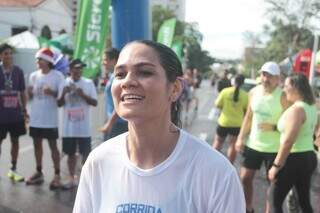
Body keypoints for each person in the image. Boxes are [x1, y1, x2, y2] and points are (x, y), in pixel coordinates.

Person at [73, 40, 245, 213]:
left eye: (145, 72)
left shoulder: (216, 173)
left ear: (175, 88)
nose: (127, 82)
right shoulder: (99, 161)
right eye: (120, 74)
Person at [235, 61, 290, 213]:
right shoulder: (253, 92)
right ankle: (248, 208)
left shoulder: (284, 96)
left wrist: (273, 127)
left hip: (274, 148)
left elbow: (291, 123)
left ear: (278, 78)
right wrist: (240, 137)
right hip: (253, 144)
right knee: (245, 178)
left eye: (270, 76)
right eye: (264, 75)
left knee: (272, 185)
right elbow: (248, 117)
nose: (266, 79)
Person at [267, 74, 318, 213]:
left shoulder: (297, 110)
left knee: (273, 202)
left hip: (293, 159)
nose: (283, 89)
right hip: (308, 157)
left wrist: (276, 166)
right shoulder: (311, 108)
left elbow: (289, 141)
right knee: (303, 201)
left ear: (295, 88)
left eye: (286, 86)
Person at [26, 48, 65, 190]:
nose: (37, 62)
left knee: (53, 146)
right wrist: (29, 93)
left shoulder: (58, 76)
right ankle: (39, 171)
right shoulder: (33, 76)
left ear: (48, 61)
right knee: (37, 144)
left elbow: (61, 100)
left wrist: (52, 92)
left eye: (40, 59)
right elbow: (30, 96)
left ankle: (57, 174)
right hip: (36, 118)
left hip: (50, 119)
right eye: (37, 59)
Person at [57, 59, 97, 189]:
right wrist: (63, 93)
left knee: (85, 154)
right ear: (70, 69)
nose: (78, 70)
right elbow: (59, 104)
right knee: (70, 154)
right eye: (76, 68)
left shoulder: (88, 83)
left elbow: (94, 102)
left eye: (80, 68)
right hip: (69, 128)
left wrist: (83, 95)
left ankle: (85, 181)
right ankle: (72, 178)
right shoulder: (64, 83)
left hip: (83, 128)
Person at [0, 43, 27, 182]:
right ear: (1, 56)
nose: (9, 56)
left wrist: (24, 110)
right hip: (1, 116)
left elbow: (22, 92)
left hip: (15, 114)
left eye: (10, 53)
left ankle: (13, 169)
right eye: (6, 53)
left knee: (15, 141)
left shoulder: (18, 71)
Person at [213, 74, 248, 164]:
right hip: (237, 124)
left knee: (218, 142)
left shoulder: (225, 91)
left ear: (233, 81)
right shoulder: (245, 95)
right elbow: (246, 109)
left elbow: (217, 104)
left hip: (223, 122)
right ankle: (229, 165)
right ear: (243, 83)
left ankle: (212, 163)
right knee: (232, 145)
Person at [99, 48, 128, 140]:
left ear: (114, 60)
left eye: (105, 59)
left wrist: (109, 124)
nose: (103, 63)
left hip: (119, 124)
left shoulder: (118, 77)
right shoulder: (113, 76)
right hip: (115, 122)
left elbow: (121, 101)